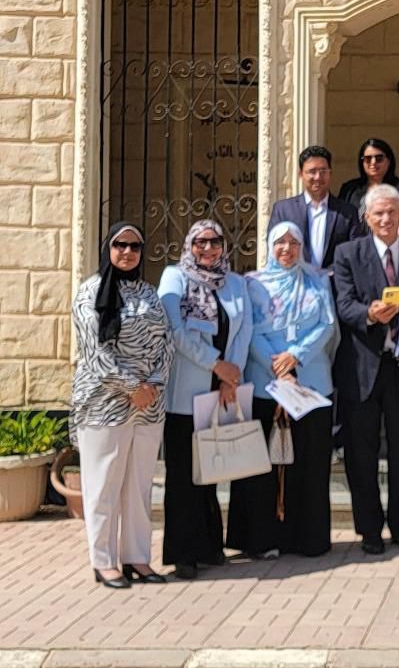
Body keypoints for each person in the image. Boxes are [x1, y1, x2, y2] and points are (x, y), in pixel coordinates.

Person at [226, 221, 338, 560]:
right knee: (262, 467)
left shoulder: (317, 281)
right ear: (270, 246)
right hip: (267, 384)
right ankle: (262, 539)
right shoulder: (253, 283)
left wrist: (296, 357)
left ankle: (306, 539)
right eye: (280, 242)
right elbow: (248, 329)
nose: (286, 249)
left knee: (309, 464)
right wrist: (278, 366)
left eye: (293, 242)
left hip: (310, 383)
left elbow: (327, 324)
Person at [334, 184, 399, 555]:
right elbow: (343, 304)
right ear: (367, 218)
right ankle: (370, 530)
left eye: (393, 211)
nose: (387, 218)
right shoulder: (348, 253)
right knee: (361, 455)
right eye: (379, 213)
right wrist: (369, 314)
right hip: (362, 368)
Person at [70, 222, 171, 588]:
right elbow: (94, 353)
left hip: (148, 406)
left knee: (139, 486)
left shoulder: (149, 293)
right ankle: (103, 561)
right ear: (108, 249)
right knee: (103, 486)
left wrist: (153, 384)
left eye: (135, 246)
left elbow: (166, 343)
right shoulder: (90, 292)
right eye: (120, 245)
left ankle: (136, 557)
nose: (127, 252)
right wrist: (131, 387)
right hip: (104, 404)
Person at [158, 220, 253, 580]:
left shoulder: (236, 283)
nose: (208, 249)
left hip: (223, 389)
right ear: (189, 245)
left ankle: (210, 546)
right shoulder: (175, 278)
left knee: (212, 470)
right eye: (200, 242)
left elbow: (244, 331)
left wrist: (231, 376)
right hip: (186, 392)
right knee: (183, 476)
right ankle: (183, 554)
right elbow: (176, 331)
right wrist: (216, 364)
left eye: (215, 242)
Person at [270, 144, 358, 275]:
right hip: (294, 281)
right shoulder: (283, 210)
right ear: (301, 174)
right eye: (312, 172)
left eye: (323, 171)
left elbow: (354, 251)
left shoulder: (347, 212)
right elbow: (275, 249)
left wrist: (327, 274)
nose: (318, 177)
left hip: (334, 283)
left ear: (330, 173)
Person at [336, 138, 399, 212]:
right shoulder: (349, 189)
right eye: (368, 159)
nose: (373, 162)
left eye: (379, 158)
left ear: (389, 161)